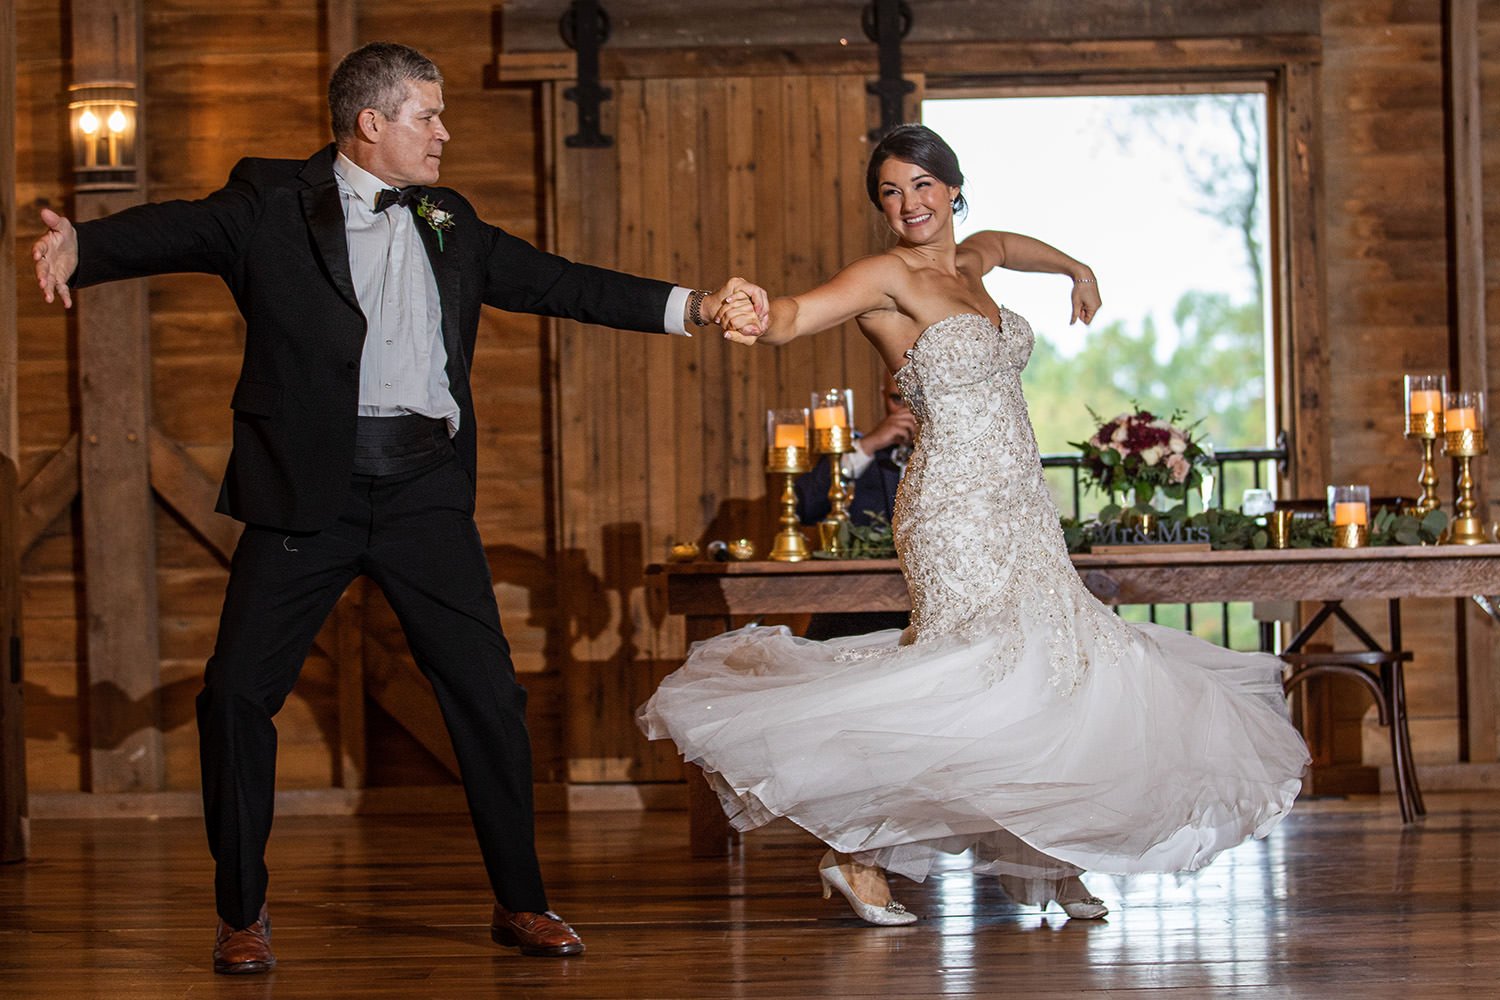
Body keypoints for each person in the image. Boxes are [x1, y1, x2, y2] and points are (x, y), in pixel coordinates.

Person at [32, 42, 766, 973]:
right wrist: (81, 246)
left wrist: (694, 304)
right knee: (235, 696)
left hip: (423, 491)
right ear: (370, 123)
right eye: (429, 114)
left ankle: (521, 903)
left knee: (490, 697)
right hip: (309, 496)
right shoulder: (268, 204)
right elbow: (172, 230)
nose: (445, 132)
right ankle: (242, 914)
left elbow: (558, 281)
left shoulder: (447, 216)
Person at [638, 124, 1308, 927]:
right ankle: (861, 854)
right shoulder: (884, 276)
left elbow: (1005, 242)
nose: (908, 203)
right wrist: (744, 307)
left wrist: (1076, 267)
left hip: (1022, 506)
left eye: (921, 185)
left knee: (1055, 668)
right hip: (953, 508)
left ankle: (1049, 861)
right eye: (889, 191)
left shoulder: (970, 261)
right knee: (978, 677)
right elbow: (790, 317)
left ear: (953, 188)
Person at [794, 369, 915, 638]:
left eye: (916, 398)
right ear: (883, 396)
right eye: (897, 399)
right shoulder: (863, 453)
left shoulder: (969, 458)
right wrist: (868, 446)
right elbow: (804, 506)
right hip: (863, 612)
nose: (906, 411)